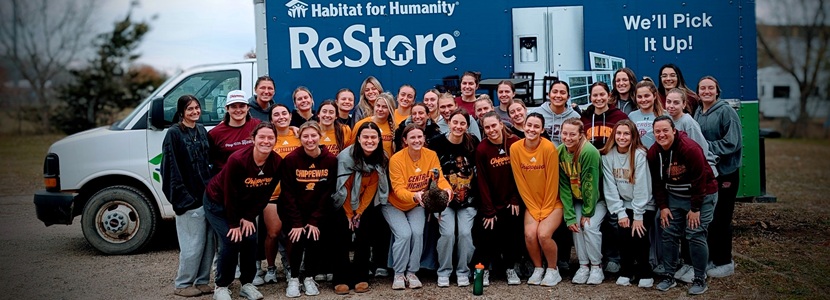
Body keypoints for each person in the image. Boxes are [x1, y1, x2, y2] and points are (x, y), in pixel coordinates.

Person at [204, 122, 283, 300]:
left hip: (244, 207)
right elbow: (229, 194)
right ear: (253, 139)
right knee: (232, 239)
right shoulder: (238, 160)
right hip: (218, 202)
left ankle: (247, 284)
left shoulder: (277, 162)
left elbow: (265, 195)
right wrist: (233, 224)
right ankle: (221, 286)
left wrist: (248, 217)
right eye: (261, 137)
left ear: (276, 140)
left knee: (250, 239)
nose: (266, 141)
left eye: (270, 138)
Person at [648, 115, 717, 295]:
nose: (661, 134)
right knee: (668, 231)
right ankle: (669, 275)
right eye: (657, 131)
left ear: (674, 130)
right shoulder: (654, 152)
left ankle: (700, 278)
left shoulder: (690, 148)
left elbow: (700, 181)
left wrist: (695, 209)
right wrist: (663, 206)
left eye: (665, 130)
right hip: (674, 196)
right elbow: (656, 182)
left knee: (695, 233)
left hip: (701, 195)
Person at [386, 124, 452, 290]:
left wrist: (447, 188)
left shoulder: (430, 155)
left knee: (417, 232)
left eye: (419, 137)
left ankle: (412, 272)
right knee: (404, 234)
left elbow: (438, 177)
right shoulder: (396, 159)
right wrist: (414, 196)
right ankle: (399, 273)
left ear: (424, 138)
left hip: (417, 203)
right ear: (405, 140)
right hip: (395, 203)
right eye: (412, 137)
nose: (416, 140)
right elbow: (398, 189)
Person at [162, 95, 215, 297]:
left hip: (206, 197)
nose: (194, 112)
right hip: (188, 200)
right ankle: (183, 284)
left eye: (197, 108)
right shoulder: (174, 134)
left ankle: (202, 281)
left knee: (208, 243)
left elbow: (209, 161)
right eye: (189, 109)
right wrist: (182, 199)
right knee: (192, 245)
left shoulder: (201, 130)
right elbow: (171, 168)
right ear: (181, 112)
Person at [278, 121, 338, 298]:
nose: (310, 139)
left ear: (320, 136)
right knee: (296, 239)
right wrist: (296, 222)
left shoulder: (330, 160)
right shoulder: (290, 159)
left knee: (314, 238)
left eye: (313, 135)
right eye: (305, 136)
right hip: (293, 210)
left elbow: (327, 193)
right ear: (300, 138)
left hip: (317, 211)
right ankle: (294, 278)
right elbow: (287, 192)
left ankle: (310, 277)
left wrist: (314, 220)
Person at [331, 122, 390, 295]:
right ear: (358, 138)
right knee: (341, 235)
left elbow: (372, 186)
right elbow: (343, 188)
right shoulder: (346, 158)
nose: (369, 140)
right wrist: (349, 214)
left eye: (373, 137)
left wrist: (360, 213)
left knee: (364, 235)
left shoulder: (382, 157)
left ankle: (361, 276)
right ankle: (340, 278)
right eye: (365, 137)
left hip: (364, 202)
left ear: (379, 139)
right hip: (343, 202)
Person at [694, 76, 743, 279]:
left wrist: (705, 149)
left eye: (710, 88)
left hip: (726, 173)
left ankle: (725, 261)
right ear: (698, 91)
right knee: (710, 218)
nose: (706, 91)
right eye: (702, 88)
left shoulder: (726, 111)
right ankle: (712, 258)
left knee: (722, 217)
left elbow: (733, 142)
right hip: (708, 173)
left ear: (717, 91)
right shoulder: (698, 111)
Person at [509, 112, 563, 287]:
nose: (531, 129)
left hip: (552, 203)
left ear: (542, 130)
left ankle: (553, 270)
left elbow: (552, 182)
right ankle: (538, 268)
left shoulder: (548, 148)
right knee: (530, 235)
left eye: (536, 126)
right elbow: (520, 182)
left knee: (543, 234)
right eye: (529, 125)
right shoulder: (515, 148)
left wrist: (544, 210)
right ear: (524, 126)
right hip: (532, 204)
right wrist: (533, 208)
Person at [600, 120, 655, 288]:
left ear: (633, 136)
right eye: (619, 133)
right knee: (623, 235)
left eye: (626, 134)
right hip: (623, 203)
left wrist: (638, 215)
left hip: (644, 204)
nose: (622, 137)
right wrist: (620, 212)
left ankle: (645, 271)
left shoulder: (639, 154)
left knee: (639, 234)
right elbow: (610, 187)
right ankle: (627, 270)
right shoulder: (608, 155)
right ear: (613, 135)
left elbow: (642, 187)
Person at [429, 109, 480, 288]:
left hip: (468, 199)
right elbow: (432, 174)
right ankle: (444, 271)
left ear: (467, 126)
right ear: (449, 123)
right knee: (448, 233)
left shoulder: (473, 142)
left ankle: (463, 270)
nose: (458, 126)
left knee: (465, 234)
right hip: (444, 201)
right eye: (455, 122)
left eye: (462, 123)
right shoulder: (436, 143)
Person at [475, 112, 524, 286]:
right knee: (488, 232)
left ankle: (510, 268)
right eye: (487, 127)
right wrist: (489, 210)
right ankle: (484, 269)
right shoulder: (482, 149)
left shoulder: (516, 143)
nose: (491, 130)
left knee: (512, 233)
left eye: (493, 125)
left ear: (501, 124)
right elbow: (482, 181)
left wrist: (515, 198)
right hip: (491, 202)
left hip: (512, 200)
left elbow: (521, 174)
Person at [558, 118, 606, 285]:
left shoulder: (589, 152)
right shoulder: (560, 152)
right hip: (576, 199)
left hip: (596, 199)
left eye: (572, 134)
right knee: (576, 226)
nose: (568, 137)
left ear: (580, 135)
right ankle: (583, 265)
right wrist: (570, 215)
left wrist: (587, 212)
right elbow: (563, 186)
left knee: (590, 226)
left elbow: (590, 185)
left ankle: (596, 266)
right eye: (565, 133)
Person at [261, 104, 301, 285]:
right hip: (273, 193)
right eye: (276, 115)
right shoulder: (269, 138)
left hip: (294, 193)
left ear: (290, 116)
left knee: (293, 233)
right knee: (274, 232)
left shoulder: (299, 135)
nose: (281, 117)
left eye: (284, 113)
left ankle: (290, 266)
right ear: (271, 120)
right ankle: (270, 267)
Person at [208, 90, 261, 174]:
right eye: (233, 106)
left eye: (242, 106)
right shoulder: (215, 133)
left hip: (253, 178)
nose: (238, 110)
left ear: (248, 108)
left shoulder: (257, 125)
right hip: (227, 180)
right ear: (227, 108)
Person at [530, 80, 581, 146]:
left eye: (562, 93)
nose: (558, 95)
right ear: (549, 95)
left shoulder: (575, 117)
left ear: (568, 97)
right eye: (555, 92)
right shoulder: (535, 113)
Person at [581, 82, 629, 149]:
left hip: (613, 158)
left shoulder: (620, 117)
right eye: (595, 95)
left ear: (609, 95)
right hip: (590, 158)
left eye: (602, 94)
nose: (599, 98)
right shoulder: (584, 118)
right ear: (590, 98)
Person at [629, 79, 666, 148]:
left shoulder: (665, 115)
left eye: (646, 96)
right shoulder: (631, 116)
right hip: (638, 156)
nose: (643, 100)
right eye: (639, 97)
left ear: (654, 96)